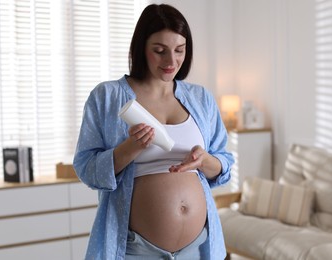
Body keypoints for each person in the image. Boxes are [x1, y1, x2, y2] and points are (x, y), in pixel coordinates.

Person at [73, 3, 234, 260]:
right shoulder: (107, 96)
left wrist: (204, 161)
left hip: (198, 247)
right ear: (141, 48)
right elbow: (86, 168)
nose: (171, 61)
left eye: (179, 50)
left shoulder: (200, 98)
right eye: (160, 51)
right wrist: (129, 149)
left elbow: (223, 164)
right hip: (136, 250)